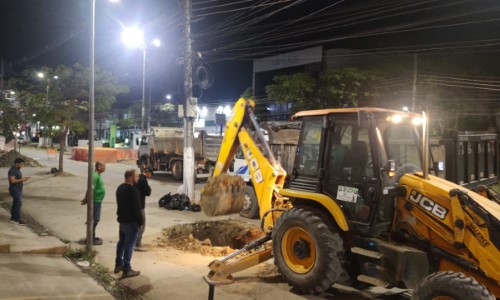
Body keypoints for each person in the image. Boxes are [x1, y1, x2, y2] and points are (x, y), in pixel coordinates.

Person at [114, 169, 143, 279]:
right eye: (136, 177)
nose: (138, 179)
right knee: (129, 246)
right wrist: (140, 222)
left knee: (121, 242)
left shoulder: (120, 188)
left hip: (122, 221)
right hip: (131, 223)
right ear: (130, 177)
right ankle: (127, 269)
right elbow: (137, 209)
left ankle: (118, 264)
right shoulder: (133, 191)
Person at [81, 161, 106, 244]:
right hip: (95, 201)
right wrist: (86, 199)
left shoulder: (97, 175)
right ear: (99, 167)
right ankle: (90, 239)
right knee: (94, 220)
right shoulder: (95, 176)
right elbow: (90, 189)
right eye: (103, 166)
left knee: (95, 219)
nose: (104, 168)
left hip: (97, 201)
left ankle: (92, 237)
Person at [135, 166, 152, 250]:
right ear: (148, 173)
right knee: (141, 225)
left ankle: (134, 242)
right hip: (140, 206)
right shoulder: (143, 180)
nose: (151, 176)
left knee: (135, 225)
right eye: (151, 174)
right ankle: (137, 244)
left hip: (134, 205)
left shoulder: (137, 178)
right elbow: (148, 192)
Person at [9, 158, 29, 225]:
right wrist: (22, 179)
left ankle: (13, 218)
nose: (22, 165)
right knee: (18, 204)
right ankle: (17, 219)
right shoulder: (13, 170)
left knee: (15, 204)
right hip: (15, 189)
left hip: (18, 189)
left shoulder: (17, 169)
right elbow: (12, 181)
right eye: (21, 164)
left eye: (23, 164)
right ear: (17, 163)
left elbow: (17, 178)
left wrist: (23, 179)